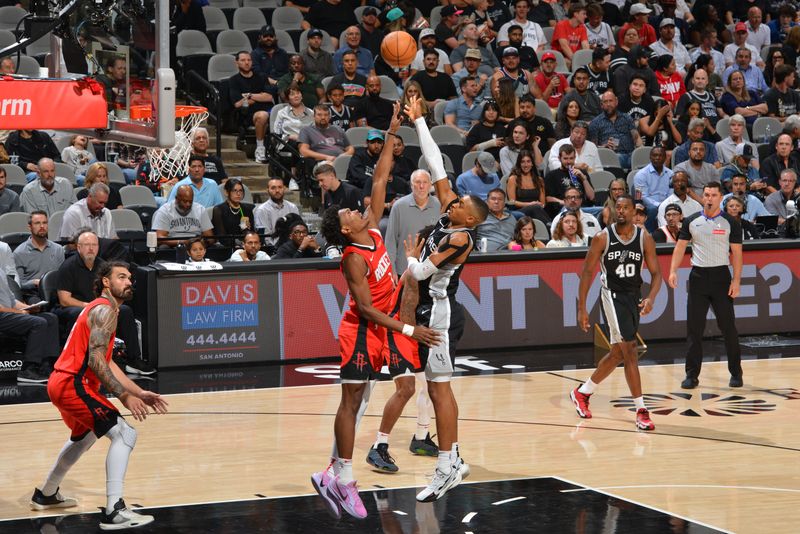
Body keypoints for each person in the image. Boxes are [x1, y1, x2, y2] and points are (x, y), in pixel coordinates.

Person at [310, 105, 440, 519]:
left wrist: (391, 131)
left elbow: (380, 177)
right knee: (351, 401)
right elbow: (365, 309)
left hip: (383, 328)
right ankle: (342, 478)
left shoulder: (369, 225)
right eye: (347, 212)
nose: (354, 207)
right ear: (345, 229)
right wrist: (407, 329)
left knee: (368, 397)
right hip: (363, 329)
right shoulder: (352, 257)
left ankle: (334, 469)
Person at [34, 261, 168, 530]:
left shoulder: (104, 310)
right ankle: (114, 511)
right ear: (106, 282)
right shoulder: (104, 311)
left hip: (63, 382)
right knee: (124, 434)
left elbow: (108, 362)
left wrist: (138, 390)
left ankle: (47, 493)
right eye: (121, 277)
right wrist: (123, 397)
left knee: (85, 436)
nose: (128, 281)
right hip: (74, 383)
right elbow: (96, 360)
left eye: (130, 277)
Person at [401, 95, 488, 502]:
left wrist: (409, 257)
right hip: (426, 309)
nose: (453, 201)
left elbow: (421, 271)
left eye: (461, 203)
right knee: (432, 388)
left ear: (469, 218)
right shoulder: (451, 214)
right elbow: (436, 165)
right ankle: (452, 459)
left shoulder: (460, 236)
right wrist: (419, 122)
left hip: (439, 314)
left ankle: (447, 465)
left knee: (439, 389)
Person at [572, 194, 661, 430]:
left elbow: (656, 274)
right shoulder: (602, 238)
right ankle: (641, 410)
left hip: (633, 296)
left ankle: (583, 392)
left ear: (634, 212)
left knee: (617, 354)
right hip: (611, 296)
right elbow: (587, 273)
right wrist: (582, 308)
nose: (620, 211)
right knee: (630, 350)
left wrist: (651, 297)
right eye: (617, 207)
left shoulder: (645, 238)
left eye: (625, 208)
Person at [668, 182, 744, 389]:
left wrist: (736, 280)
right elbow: (680, 247)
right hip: (698, 277)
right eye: (707, 195)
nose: (709, 198)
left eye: (713, 195)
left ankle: (736, 373)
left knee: (728, 328)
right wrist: (673, 270)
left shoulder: (730, 222)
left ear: (721, 198)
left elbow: (736, 253)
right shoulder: (692, 221)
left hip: (721, 277)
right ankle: (691, 375)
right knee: (694, 329)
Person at [55, 231, 153, 375]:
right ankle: (79, 362)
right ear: (78, 247)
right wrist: (89, 307)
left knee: (125, 310)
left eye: (94, 245)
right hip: (74, 308)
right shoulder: (67, 267)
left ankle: (134, 359)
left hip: (98, 306)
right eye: (87, 245)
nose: (91, 248)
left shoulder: (103, 266)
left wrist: (111, 305)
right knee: (78, 313)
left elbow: (108, 291)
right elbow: (64, 299)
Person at [385, 170, 442, 274]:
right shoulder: (399, 206)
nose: (421, 186)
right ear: (411, 185)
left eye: (425, 182)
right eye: (417, 182)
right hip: (404, 271)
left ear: (430, 185)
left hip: (432, 270)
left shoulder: (439, 205)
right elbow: (390, 242)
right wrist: (391, 270)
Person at [229, 51, 273, 163]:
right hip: (247, 114)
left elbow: (268, 97)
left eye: (249, 60)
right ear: (237, 63)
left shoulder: (261, 77)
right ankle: (260, 149)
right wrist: (259, 96)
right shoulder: (234, 80)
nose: (247, 63)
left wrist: (250, 96)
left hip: (269, 110)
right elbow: (237, 103)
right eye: (243, 60)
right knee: (262, 116)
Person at [14, 210, 65, 304]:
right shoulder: (19, 252)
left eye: (44, 223)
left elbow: (62, 276)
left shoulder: (58, 249)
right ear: (30, 227)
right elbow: (17, 284)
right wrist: (33, 282)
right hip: (33, 294)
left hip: (55, 292)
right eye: (37, 223)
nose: (42, 226)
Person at [588, 91, 641, 170]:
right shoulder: (595, 122)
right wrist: (604, 146)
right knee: (617, 158)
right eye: (605, 102)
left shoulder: (626, 118)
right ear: (601, 105)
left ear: (616, 102)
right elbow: (593, 147)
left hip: (630, 154)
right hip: (610, 156)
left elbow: (636, 138)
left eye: (611, 101)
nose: (608, 104)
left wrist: (640, 150)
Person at [298, 105, 354, 174]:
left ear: (329, 116)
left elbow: (350, 148)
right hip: (323, 162)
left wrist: (343, 156)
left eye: (326, 115)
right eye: (319, 115)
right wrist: (326, 157)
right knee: (331, 167)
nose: (323, 117)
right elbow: (303, 151)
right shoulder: (306, 130)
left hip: (343, 160)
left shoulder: (338, 129)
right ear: (314, 116)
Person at [633, 146, 673, 231]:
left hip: (667, 204)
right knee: (652, 209)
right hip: (648, 206)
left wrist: (665, 205)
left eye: (660, 155)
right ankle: (650, 235)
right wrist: (660, 206)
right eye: (654, 155)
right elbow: (641, 196)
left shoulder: (671, 174)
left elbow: (671, 194)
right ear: (650, 157)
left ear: (665, 157)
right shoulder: (641, 175)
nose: (657, 158)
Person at [507, 149, 550, 224]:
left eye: (528, 161)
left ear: (532, 163)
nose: (526, 165)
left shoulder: (539, 180)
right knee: (535, 207)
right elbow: (512, 202)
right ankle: (550, 227)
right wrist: (530, 204)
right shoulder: (513, 179)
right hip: (519, 212)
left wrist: (539, 205)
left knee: (537, 208)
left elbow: (543, 203)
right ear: (519, 164)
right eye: (523, 162)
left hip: (537, 210)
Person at [211, 178, 255, 246]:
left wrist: (245, 230)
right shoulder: (219, 210)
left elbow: (251, 235)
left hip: (245, 247)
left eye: (240, 191)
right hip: (227, 248)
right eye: (234, 191)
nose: (238, 194)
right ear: (226, 192)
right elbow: (222, 237)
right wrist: (238, 243)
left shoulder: (247, 209)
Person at [551, 3, 589, 69]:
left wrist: (587, 59)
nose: (586, 16)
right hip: (560, 57)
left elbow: (585, 45)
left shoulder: (582, 27)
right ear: (575, 14)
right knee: (567, 63)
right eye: (583, 14)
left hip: (574, 57)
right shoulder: (561, 25)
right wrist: (576, 61)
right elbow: (564, 46)